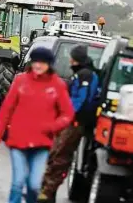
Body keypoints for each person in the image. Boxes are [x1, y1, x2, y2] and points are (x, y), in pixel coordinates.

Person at [0, 47, 75, 203]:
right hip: (18, 141)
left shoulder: (57, 85)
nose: (38, 66)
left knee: (34, 185)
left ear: (49, 64)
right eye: (35, 62)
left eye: (42, 63)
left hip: (42, 144)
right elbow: (6, 110)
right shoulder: (21, 81)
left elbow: (67, 114)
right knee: (18, 182)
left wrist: (53, 127)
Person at [39, 44, 99, 203]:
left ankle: (46, 192)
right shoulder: (80, 74)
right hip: (69, 122)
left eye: (72, 57)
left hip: (74, 123)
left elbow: (81, 99)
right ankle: (46, 192)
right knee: (54, 155)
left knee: (60, 157)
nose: (70, 60)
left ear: (77, 59)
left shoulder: (85, 75)